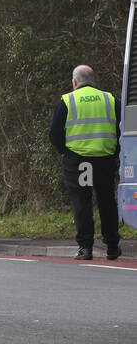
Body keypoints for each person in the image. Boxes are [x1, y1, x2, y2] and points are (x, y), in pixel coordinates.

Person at [48, 65, 121, 260]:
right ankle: (112, 246)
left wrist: (65, 152)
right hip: (105, 159)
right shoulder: (110, 99)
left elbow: (54, 133)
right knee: (107, 201)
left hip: (78, 160)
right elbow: (122, 127)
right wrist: (115, 152)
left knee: (82, 202)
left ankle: (86, 248)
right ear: (94, 81)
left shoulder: (68, 100)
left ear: (74, 82)